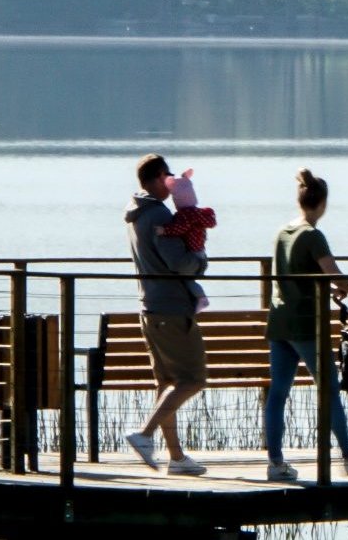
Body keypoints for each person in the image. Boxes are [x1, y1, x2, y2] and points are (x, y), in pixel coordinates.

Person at [264, 167, 348, 481]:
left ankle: (275, 463)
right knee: (329, 389)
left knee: (278, 393)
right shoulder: (312, 235)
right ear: (322, 204)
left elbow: (298, 274)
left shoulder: (283, 232)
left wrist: (329, 288)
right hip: (306, 325)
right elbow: (335, 272)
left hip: (279, 322)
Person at [122, 153, 210, 477]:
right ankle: (144, 435)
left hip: (149, 308)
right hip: (172, 309)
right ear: (159, 177)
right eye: (168, 176)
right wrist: (200, 259)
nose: (172, 182)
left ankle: (176, 457)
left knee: (167, 383)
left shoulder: (135, 213)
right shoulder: (159, 214)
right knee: (193, 379)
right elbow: (178, 262)